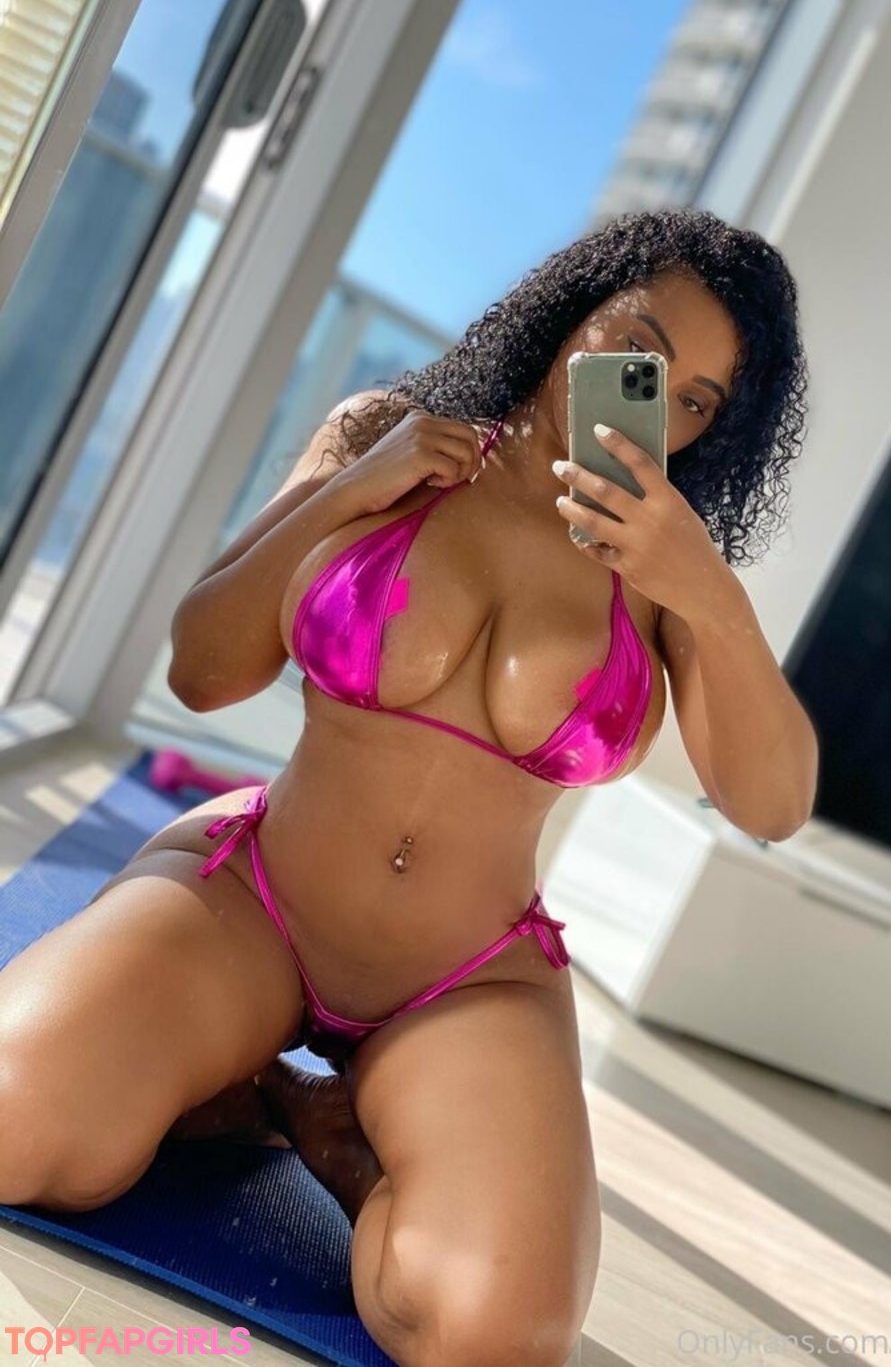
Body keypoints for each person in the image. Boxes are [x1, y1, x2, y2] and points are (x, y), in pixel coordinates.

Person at [0, 208, 818, 1367]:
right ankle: (246, 1067)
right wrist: (354, 488)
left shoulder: (667, 568)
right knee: (16, 1120)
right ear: (567, 312)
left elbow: (774, 806)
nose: (651, 402)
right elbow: (202, 670)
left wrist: (711, 596)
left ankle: (317, 1119)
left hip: (466, 978)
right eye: (634, 348)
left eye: (694, 400)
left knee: (496, 1335)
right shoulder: (384, 434)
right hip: (259, 897)